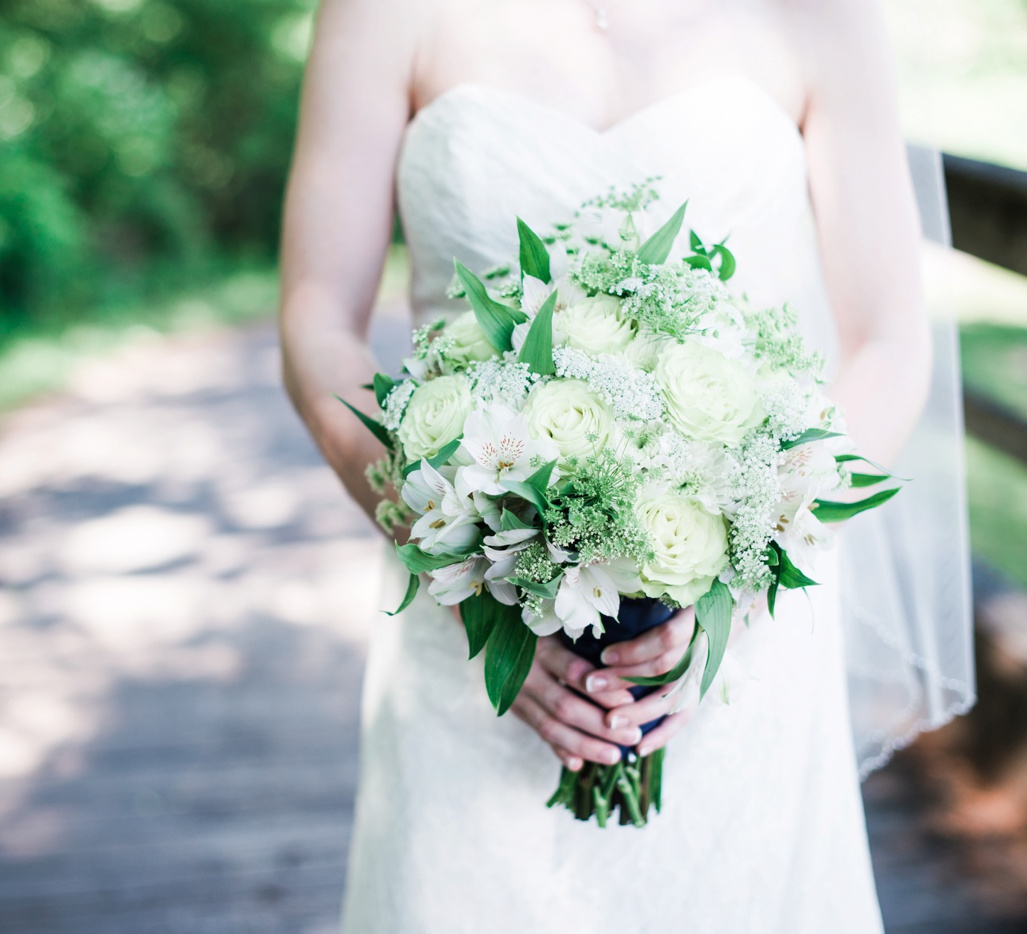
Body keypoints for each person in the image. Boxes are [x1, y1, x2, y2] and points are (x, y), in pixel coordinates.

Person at [279, 1, 937, 930]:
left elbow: (890, 343)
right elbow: (315, 322)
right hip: (469, 631)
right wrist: (464, 571)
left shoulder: (823, 16)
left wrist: (745, 574)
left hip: (741, 641)